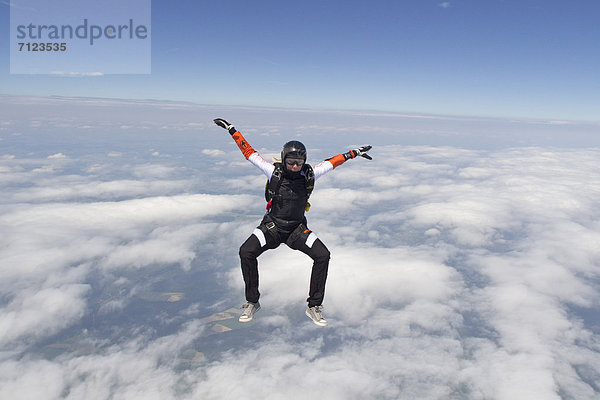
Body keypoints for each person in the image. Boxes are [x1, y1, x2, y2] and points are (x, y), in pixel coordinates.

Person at [214, 118, 372, 326]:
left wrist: (355, 153)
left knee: (323, 256)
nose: (295, 167)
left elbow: (334, 162)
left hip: (296, 230)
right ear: (283, 160)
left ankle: (314, 306)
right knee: (246, 252)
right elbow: (249, 153)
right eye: (290, 162)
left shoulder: (310, 174)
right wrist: (232, 129)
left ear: (304, 161)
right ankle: (253, 301)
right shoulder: (273, 172)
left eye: (299, 162)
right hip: (271, 228)